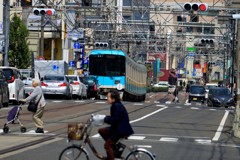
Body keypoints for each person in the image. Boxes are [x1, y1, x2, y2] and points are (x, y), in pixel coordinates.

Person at [98, 90, 134, 160]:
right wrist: (104, 118)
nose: (107, 98)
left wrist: (104, 118)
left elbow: (114, 120)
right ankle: (114, 146)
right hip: (119, 128)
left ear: (113, 99)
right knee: (101, 130)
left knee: (107, 145)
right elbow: (114, 118)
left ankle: (111, 155)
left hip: (121, 130)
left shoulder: (116, 106)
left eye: (108, 97)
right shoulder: (116, 105)